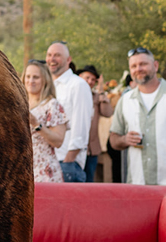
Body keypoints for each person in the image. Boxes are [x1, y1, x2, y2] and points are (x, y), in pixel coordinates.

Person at [109, 47, 165, 184]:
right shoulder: (125, 100)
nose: (138, 69)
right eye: (133, 66)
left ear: (155, 65)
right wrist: (124, 139)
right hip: (138, 185)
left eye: (143, 64)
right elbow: (113, 139)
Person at [45, 41, 93, 183]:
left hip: (66, 163)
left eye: (57, 55)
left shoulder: (78, 85)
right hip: (47, 163)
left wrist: (68, 161)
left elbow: (81, 127)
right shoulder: (48, 87)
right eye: (49, 55)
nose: (52, 59)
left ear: (68, 60)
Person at [24, 60, 68, 183]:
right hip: (22, 169)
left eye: (36, 77)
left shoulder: (52, 105)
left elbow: (58, 141)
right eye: (28, 76)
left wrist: (36, 124)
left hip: (44, 171)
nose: (30, 81)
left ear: (45, 80)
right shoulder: (19, 104)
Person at [77, 65, 113, 183]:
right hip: (75, 148)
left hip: (92, 148)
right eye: (87, 78)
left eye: (93, 80)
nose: (90, 82)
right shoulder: (74, 94)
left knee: (89, 181)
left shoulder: (96, 97)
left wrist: (101, 90)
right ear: (79, 77)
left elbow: (107, 113)